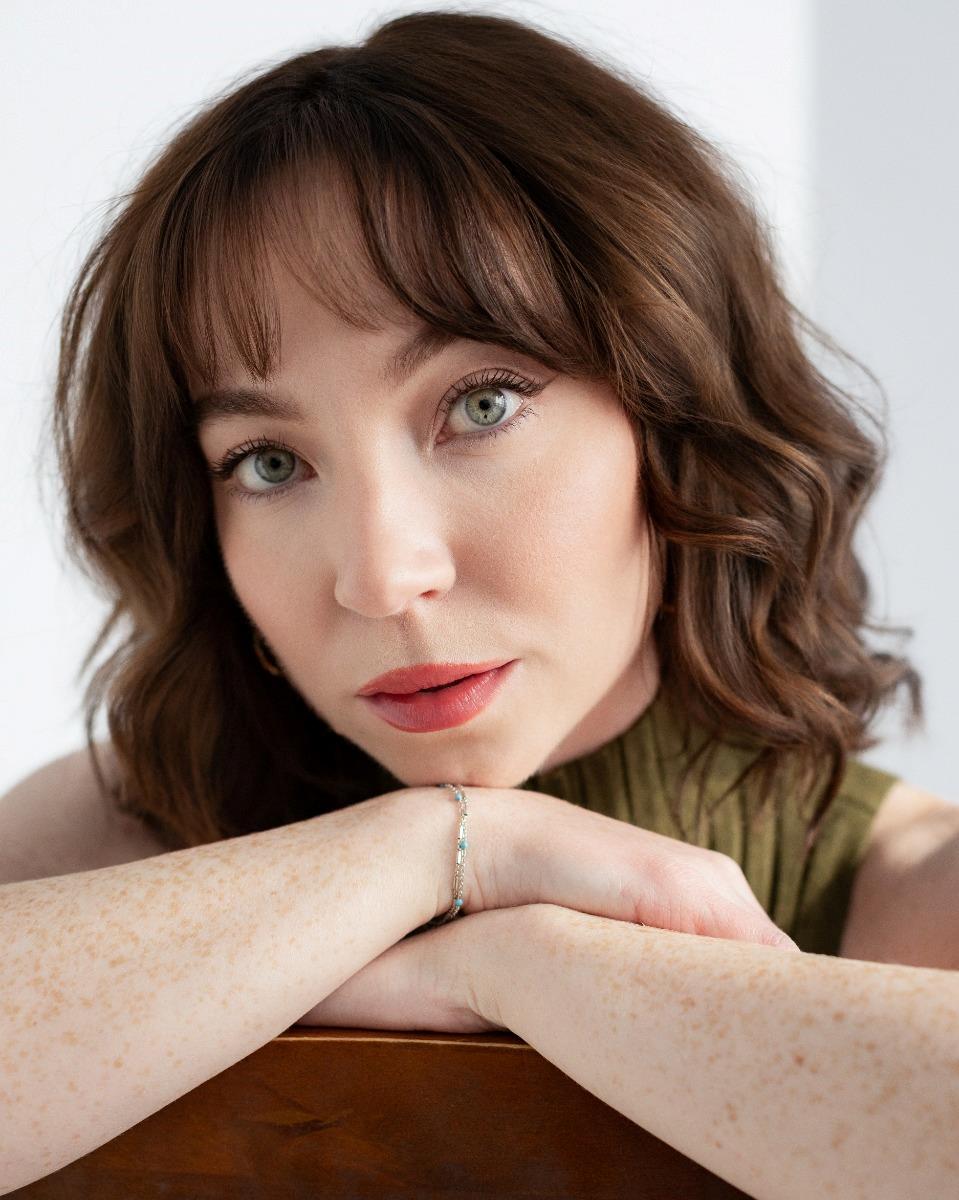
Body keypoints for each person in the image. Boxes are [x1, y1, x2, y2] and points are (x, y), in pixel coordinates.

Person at [1, 9, 956, 1196]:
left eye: (480, 405)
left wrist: (522, 966)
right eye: (268, 462)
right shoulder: (123, 839)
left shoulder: (916, 902)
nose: (381, 577)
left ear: (674, 415)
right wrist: (442, 852)